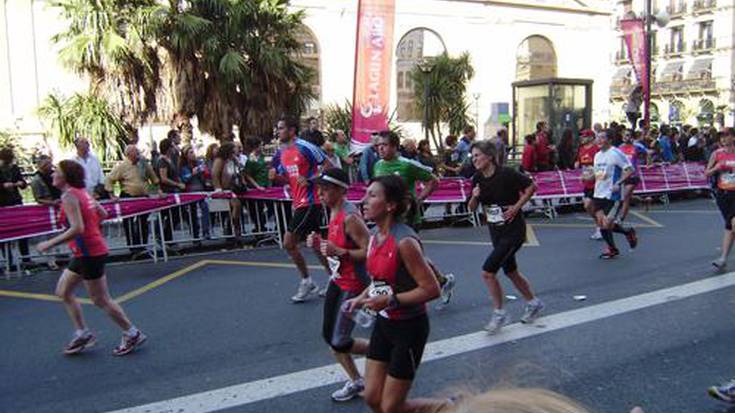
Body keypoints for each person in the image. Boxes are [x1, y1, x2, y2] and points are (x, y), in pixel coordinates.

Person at [346, 175, 446, 413]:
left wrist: (390, 300)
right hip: (384, 324)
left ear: (390, 205)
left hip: (409, 328)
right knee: (371, 397)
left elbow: (432, 289)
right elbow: (380, 281)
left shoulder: (405, 242)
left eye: (372, 195)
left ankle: (445, 407)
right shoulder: (373, 238)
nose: (364, 200)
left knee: (392, 407)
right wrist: (360, 298)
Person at [36, 160, 146, 356]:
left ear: (65, 177)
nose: (53, 174)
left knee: (100, 299)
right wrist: (92, 227)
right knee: (63, 291)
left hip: (89, 252)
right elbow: (102, 213)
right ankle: (83, 333)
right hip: (84, 251)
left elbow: (78, 228)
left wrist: (49, 243)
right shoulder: (82, 193)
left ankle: (132, 333)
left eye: (57, 172)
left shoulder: (70, 196)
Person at [467, 141, 544, 334]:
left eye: (478, 155)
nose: (474, 159)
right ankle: (534, 303)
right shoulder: (477, 178)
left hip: (513, 229)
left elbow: (531, 186)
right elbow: (471, 208)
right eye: (473, 156)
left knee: (488, 272)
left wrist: (516, 207)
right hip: (496, 230)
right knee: (511, 271)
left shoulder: (507, 174)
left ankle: (500, 313)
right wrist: (475, 196)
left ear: (490, 156)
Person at [308, 168, 371, 402]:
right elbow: (333, 258)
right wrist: (318, 246)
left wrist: (340, 251)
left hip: (354, 284)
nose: (321, 193)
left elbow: (370, 251)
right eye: (320, 189)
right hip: (337, 280)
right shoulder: (332, 211)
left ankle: (383, 351)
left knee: (339, 340)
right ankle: (358, 380)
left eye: (326, 189)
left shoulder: (350, 217)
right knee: (329, 336)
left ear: (341, 190)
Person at [373, 130, 456, 307]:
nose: (380, 149)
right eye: (378, 145)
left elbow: (433, 181)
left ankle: (413, 295)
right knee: (399, 258)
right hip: (387, 219)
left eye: (384, 145)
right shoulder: (378, 165)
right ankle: (441, 282)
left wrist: (418, 200)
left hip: (407, 219)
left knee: (410, 258)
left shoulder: (407, 165)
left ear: (395, 146)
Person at [270, 116, 331, 302]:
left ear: (291, 130)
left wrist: (312, 180)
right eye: (277, 128)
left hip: (310, 202)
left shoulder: (306, 147)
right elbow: (288, 179)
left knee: (289, 243)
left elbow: (328, 165)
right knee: (315, 243)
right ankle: (333, 277)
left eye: (281, 128)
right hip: (298, 202)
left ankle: (307, 280)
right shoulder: (281, 153)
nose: (277, 132)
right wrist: (275, 178)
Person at [105, 145, 161, 255]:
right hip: (129, 196)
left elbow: (154, 178)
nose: (138, 153)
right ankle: (133, 247)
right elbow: (109, 179)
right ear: (129, 154)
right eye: (136, 152)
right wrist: (111, 194)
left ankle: (143, 245)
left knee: (143, 221)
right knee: (129, 222)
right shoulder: (122, 166)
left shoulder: (144, 164)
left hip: (143, 196)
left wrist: (157, 190)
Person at [592, 131, 638, 259]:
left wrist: (619, 182)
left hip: (613, 195)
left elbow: (629, 170)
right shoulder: (597, 156)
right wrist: (589, 176)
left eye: (602, 138)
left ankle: (612, 249)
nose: (599, 140)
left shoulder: (616, 153)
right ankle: (627, 232)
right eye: (597, 138)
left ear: (609, 140)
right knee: (603, 225)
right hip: (598, 193)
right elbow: (599, 174)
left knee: (606, 224)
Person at [707, 127, 735, 271]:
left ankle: (723, 258)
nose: (723, 139)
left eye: (726, 135)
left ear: (733, 137)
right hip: (723, 194)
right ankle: (723, 258)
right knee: (729, 226)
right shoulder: (716, 154)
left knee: (733, 223)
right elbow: (707, 173)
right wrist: (717, 168)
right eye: (721, 136)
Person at [0, 147, 30, 268]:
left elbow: (23, 182)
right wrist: (2, 186)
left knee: (22, 230)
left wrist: (21, 183)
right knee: (4, 233)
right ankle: (9, 260)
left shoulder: (15, 168)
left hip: (16, 202)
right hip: (2, 203)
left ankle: (26, 258)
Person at [211, 142, 246, 243]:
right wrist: (218, 188)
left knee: (236, 208)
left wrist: (236, 161)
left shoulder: (232, 159)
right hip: (224, 190)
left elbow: (241, 168)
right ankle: (232, 227)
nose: (237, 149)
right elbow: (214, 174)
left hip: (233, 188)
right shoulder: (219, 160)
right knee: (236, 205)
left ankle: (233, 229)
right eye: (235, 148)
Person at [156, 138, 186, 246]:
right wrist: (177, 184)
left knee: (175, 215)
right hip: (167, 191)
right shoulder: (162, 161)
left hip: (173, 191)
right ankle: (163, 236)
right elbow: (163, 178)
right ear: (168, 149)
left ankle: (166, 237)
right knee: (172, 214)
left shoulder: (170, 160)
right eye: (172, 147)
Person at [179, 145, 211, 241]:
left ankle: (206, 231)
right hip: (190, 193)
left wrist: (203, 171)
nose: (193, 154)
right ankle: (195, 235)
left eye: (193, 152)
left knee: (205, 208)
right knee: (192, 214)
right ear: (186, 155)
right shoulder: (184, 167)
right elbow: (184, 179)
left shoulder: (198, 163)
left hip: (200, 191)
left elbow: (207, 174)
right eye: (191, 153)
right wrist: (192, 174)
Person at [618, 130, 649, 222]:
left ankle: (621, 219)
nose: (625, 137)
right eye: (623, 135)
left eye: (627, 135)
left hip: (633, 175)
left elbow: (648, 153)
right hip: (623, 175)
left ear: (632, 137)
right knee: (626, 196)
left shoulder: (637, 146)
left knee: (626, 196)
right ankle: (644, 201)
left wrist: (649, 163)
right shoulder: (619, 148)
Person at [576, 129, 601, 240]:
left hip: (597, 182)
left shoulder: (596, 149)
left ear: (591, 137)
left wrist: (594, 173)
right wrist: (577, 164)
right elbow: (580, 162)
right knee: (587, 206)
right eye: (581, 136)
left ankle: (601, 227)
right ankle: (599, 225)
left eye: (584, 136)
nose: (582, 138)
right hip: (587, 182)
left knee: (595, 205)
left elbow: (601, 165)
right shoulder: (581, 149)